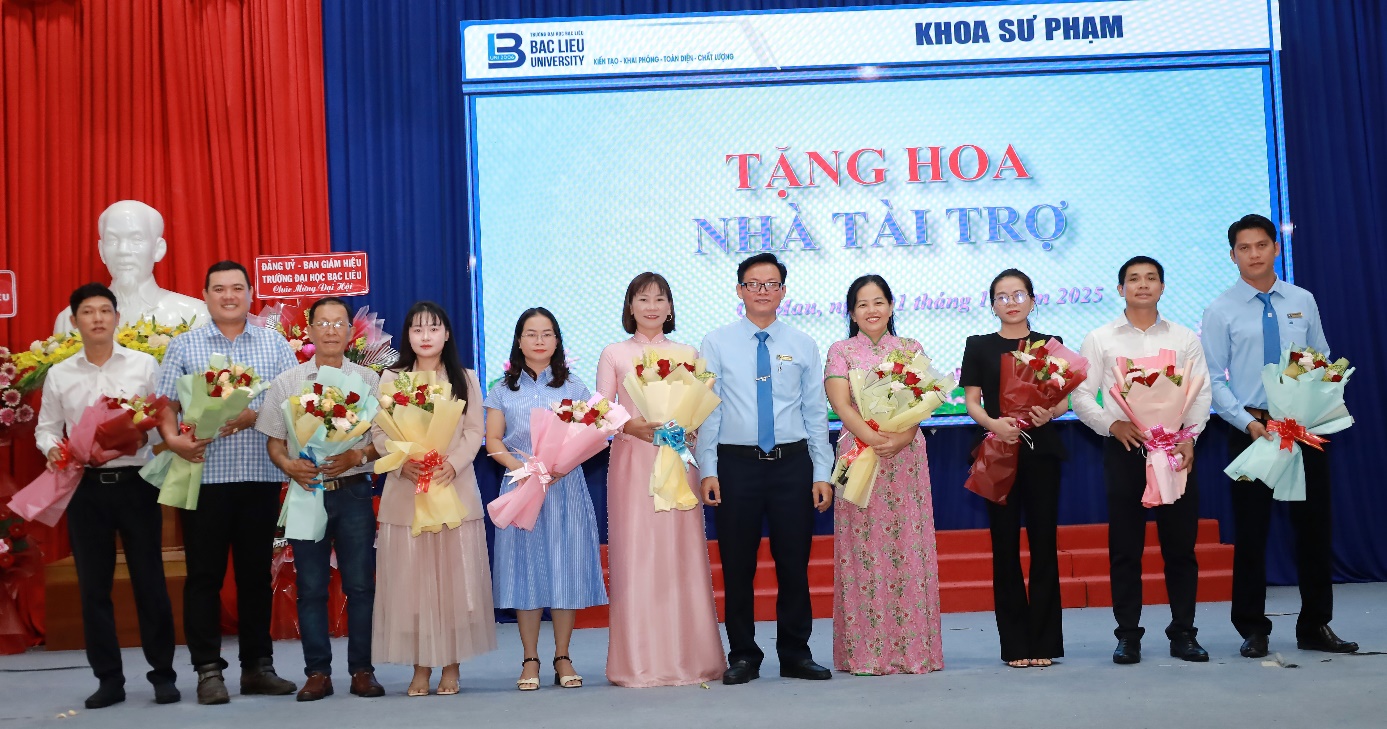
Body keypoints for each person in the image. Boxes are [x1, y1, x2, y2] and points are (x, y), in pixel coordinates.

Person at [1200, 214, 1358, 658]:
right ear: (1233, 256)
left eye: (1261, 245)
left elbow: (1321, 356)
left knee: (1314, 529)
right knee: (1251, 533)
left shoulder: (1302, 300)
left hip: (1304, 430)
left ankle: (1316, 625)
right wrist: (1246, 422)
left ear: (1276, 247)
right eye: (1244, 248)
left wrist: (1313, 402)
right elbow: (1213, 377)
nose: (1254, 254)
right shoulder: (1220, 309)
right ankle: (1253, 628)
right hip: (1251, 431)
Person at [155, 260, 299, 704]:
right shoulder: (184, 345)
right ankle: (207, 671)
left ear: (250, 294)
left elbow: (295, 401)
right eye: (219, 289)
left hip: (259, 475)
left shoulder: (275, 344)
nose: (229, 296)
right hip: (204, 477)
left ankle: (258, 667)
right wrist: (172, 440)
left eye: (237, 287)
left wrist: (256, 415)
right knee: (204, 576)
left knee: (255, 576)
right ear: (205, 295)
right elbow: (164, 404)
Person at [33, 283, 179, 708]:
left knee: (149, 581)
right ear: (74, 320)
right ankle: (109, 680)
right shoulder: (60, 374)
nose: (97, 318)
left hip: (136, 485)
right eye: (87, 312)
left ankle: (163, 675)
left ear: (117, 318)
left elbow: (164, 417)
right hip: (85, 488)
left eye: (104, 311)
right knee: (93, 588)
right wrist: (52, 448)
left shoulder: (144, 364)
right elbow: (46, 428)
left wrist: (149, 435)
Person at [696, 252, 835, 685]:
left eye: (771, 284)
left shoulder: (803, 343)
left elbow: (815, 412)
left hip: (792, 465)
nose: (762, 291)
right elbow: (708, 410)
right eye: (753, 284)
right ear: (739, 290)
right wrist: (708, 468)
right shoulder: (716, 342)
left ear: (783, 291)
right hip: (736, 466)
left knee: (793, 564)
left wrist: (821, 472)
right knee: (738, 566)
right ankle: (743, 655)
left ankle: (795, 653)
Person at [1073, 256, 1212, 665]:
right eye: (1133, 279)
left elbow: (1200, 392)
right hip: (1126, 450)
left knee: (1181, 547)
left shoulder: (1184, 337)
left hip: (1175, 451)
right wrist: (1111, 425)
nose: (1143, 284)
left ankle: (1184, 633)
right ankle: (1127, 636)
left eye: (1151, 278)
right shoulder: (1100, 338)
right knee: (1126, 548)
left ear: (1162, 287)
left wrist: (1189, 437)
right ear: (1121, 289)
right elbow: (1081, 395)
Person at [596, 273, 725, 687]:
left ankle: (690, 658)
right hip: (633, 461)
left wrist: (690, 427)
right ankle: (638, 662)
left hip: (678, 460)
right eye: (642, 298)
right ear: (630, 306)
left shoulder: (688, 353)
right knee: (636, 554)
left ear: (670, 308)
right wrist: (629, 425)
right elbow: (601, 409)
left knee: (680, 553)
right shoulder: (614, 353)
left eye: (659, 299)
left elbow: (701, 409)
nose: (651, 306)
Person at [257, 297, 384, 701]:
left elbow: (384, 441)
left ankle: (362, 670)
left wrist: (357, 455)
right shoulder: (287, 382)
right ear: (309, 331)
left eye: (339, 323)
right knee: (311, 586)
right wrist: (289, 465)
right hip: (306, 490)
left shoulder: (369, 380)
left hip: (354, 492)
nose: (331, 330)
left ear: (350, 332)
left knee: (360, 586)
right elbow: (274, 441)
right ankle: (317, 673)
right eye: (323, 323)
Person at [371, 302, 497, 696]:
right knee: (412, 587)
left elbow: (474, 431)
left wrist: (453, 465)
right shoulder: (392, 379)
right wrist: (401, 463)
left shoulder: (466, 378)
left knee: (453, 586)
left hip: (452, 490)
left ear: (446, 334)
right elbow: (378, 433)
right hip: (407, 494)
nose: (425, 336)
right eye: (417, 329)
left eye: (433, 328)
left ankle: (452, 668)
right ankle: (420, 667)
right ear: (407, 336)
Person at [825, 274, 943, 676]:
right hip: (857, 453)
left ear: (891, 307)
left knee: (908, 546)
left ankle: (914, 652)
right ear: (851, 313)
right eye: (862, 304)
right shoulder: (840, 351)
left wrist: (903, 435)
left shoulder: (911, 349)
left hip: (906, 456)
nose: (871, 310)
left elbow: (924, 401)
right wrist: (873, 438)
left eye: (878, 302)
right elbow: (841, 405)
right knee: (862, 550)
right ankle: (866, 653)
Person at [484, 308, 607, 691]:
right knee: (525, 573)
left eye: (547, 333)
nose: (539, 340)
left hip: (564, 488)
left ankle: (563, 655)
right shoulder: (502, 389)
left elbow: (593, 434)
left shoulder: (574, 387)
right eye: (531, 333)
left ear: (557, 341)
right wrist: (523, 468)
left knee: (565, 570)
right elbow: (493, 440)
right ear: (519, 341)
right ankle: (530, 658)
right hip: (521, 487)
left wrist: (560, 465)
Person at [960, 269, 1068, 668]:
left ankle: (1043, 642)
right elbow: (971, 400)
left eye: (1018, 294)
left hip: (1042, 453)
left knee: (1044, 546)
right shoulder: (979, 345)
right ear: (992, 305)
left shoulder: (1050, 344)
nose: (1011, 302)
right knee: (1004, 548)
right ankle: (1015, 645)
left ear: (1032, 300)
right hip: (997, 450)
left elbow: (1063, 399)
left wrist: (1049, 413)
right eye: (1002, 296)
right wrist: (993, 423)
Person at [53, 200, 208, 333]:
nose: (123, 251)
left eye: (136, 239)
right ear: (101, 251)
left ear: (158, 249)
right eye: (112, 240)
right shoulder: (69, 321)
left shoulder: (195, 315)